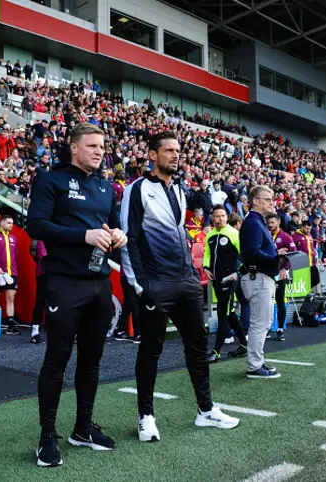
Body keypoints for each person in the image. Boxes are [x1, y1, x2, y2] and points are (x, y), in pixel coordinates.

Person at [121, 130, 239, 445]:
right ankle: (145, 416)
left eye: (178, 150)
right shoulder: (137, 190)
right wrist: (140, 285)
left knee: (198, 345)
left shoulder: (180, 190)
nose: (175, 155)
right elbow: (129, 238)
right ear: (152, 155)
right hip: (155, 284)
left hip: (185, 281)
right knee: (151, 350)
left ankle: (205, 409)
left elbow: (177, 233)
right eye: (169, 150)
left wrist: (191, 269)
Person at [27, 123, 127, 467]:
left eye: (102, 146)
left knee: (92, 359)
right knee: (57, 359)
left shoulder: (104, 186)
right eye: (92, 146)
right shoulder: (49, 179)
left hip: (100, 284)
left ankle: (82, 428)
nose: (100, 152)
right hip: (64, 282)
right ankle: (47, 436)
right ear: (73, 147)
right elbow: (36, 226)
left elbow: (114, 224)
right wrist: (82, 236)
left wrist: (119, 234)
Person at [240, 185, 287, 379]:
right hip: (258, 277)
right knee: (260, 323)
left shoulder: (257, 221)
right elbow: (251, 252)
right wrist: (275, 259)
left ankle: (257, 361)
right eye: (268, 199)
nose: (272, 202)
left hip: (260, 276)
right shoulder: (253, 222)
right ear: (256, 201)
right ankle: (254, 365)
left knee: (263, 321)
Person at [203, 205, 248, 361]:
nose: (220, 219)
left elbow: (246, 255)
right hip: (216, 280)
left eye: (223, 215)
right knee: (230, 313)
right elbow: (207, 254)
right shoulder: (210, 235)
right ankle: (244, 344)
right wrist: (205, 267)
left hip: (230, 281)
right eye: (217, 216)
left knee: (222, 313)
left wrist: (239, 272)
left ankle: (215, 352)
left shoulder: (234, 234)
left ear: (227, 217)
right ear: (213, 218)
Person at [0, 214, 20, 335]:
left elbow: (15, 256)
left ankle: (11, 325)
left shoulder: (13, 238)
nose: (11, 225)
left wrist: (15, 270)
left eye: (12, 223)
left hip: (12, 273)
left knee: (10, 298)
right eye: (9, 223)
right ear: (2, 223)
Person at [268, 213, 297, 341]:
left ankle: (280, 329)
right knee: (266, 302)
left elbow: (293, 254)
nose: (270, 225)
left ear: (278, 222)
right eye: (269, 223)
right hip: (267, 273)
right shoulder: (266, 235)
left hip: (280, 273)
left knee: (280, 301)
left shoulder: (285, 237)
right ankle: (267, 328)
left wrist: (285, 268)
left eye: (272, 223)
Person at [113, 264, 141, 343]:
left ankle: (120, 331)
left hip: (126, 275)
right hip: (131, 275)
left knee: (128, 304)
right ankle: (138, 334)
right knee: (135, 305)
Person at [30, 239, 47, 344]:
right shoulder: (41, 240)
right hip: (44, 275)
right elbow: (43, 257)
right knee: (40, 303)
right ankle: (34, 332)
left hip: (57, 276)